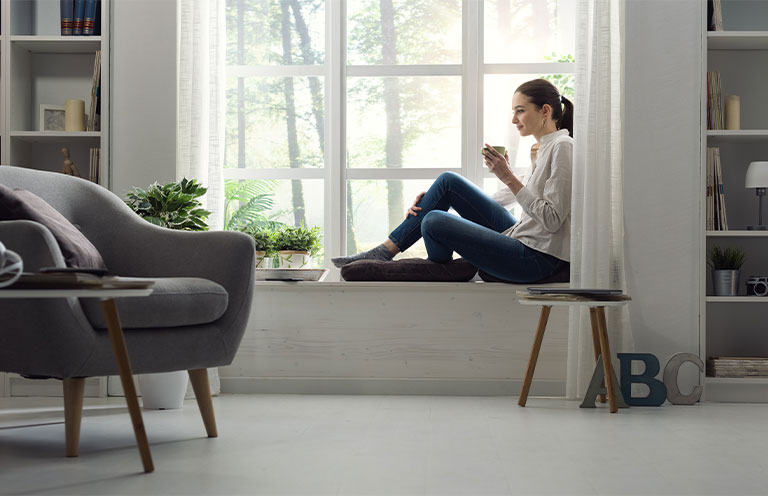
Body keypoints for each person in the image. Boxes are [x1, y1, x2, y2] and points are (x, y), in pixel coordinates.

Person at [332, 78, 574, 283]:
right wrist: (434, 202)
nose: (514, 119)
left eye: (520, 110)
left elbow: (552, 220)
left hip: (536, 258)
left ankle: (443, 266)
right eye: (513, 111)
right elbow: (511, 197)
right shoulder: (540, 149)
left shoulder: (563, 147)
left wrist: (508, 177)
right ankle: (385, 250)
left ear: (544, 111)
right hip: (521, 237)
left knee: (434, 221)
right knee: (447, 184)